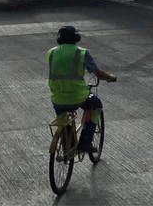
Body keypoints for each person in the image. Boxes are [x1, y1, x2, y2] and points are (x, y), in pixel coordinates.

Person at [46, 25, 117, 153]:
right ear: (76, 37)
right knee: (96, 105)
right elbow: (98, 74)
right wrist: (110, 77)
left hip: (57, 97)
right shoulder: (81, 52)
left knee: (64, 119)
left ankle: (68, 144)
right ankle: (85, 142)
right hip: (77, 96)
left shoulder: (51, 52)